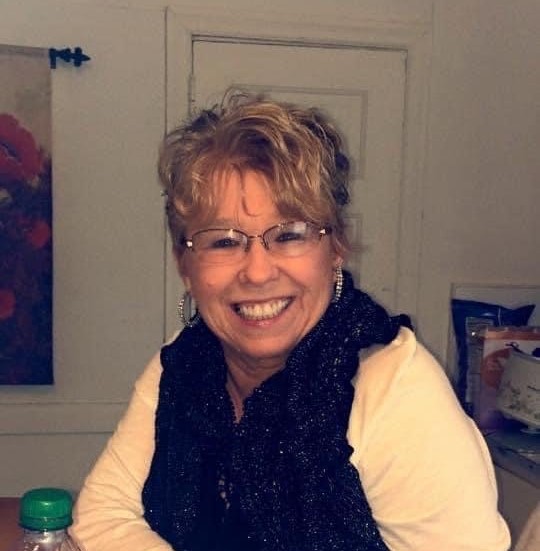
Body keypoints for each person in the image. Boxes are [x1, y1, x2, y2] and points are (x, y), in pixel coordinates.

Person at [72, 92, 511, 551]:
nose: (258, 272)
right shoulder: (183, 363)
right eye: (224, 241)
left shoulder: (396, 392)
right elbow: (102, 514)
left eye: (289, 235)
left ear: (336, 247)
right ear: (185, 264)